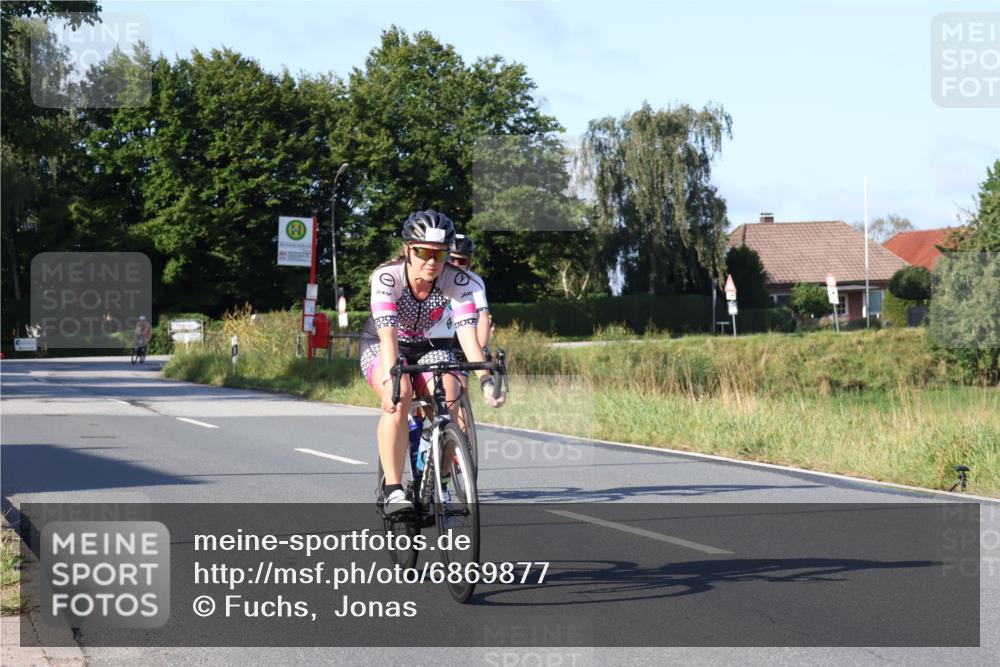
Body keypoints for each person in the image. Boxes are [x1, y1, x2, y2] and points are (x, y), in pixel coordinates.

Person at [360, 210, 506, 515]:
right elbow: (388, 339)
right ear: (407, 250)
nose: (431, 261)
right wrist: (390, 385)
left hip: (428, 347)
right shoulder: (387, 277)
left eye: (439, 254)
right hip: (384, 344)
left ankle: (437, 480)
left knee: (451, 396)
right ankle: (393, 490)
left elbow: (469, 339)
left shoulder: (458, 280)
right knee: (400, 395)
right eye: (423, 252)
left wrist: (485, 381)